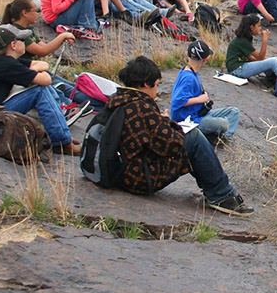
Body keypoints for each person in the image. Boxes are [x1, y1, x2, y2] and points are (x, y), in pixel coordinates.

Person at [107, 56, 253, 216]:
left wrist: (159, 122)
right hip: (136, 177)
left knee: (194, 138)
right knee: (194, 139)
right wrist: (169, 125)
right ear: (145, 84)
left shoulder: (118, 99)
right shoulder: (141, 107)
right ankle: (221, 195)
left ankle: (215, 190)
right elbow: (172, 143)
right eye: (156, 86)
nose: (156, 91)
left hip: (119, 168)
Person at [0, 25, 81, 154]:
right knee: (40, 90)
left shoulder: (4, 61)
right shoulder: (7, 65)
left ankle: (61, 132)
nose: (25, 43)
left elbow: (43, 64)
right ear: (13, 45)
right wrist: (36, 73)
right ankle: (62, 142)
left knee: (38, 85)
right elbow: (46, 80)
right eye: (22, 40)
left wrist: (32, 72)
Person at [170, 40, 241, 138]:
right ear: (205, 59)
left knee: (234, 111)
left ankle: (218, 132)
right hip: (189, 121)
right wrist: (200, 99)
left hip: (199, 114)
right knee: (224, 124)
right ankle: (223, 136)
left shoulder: (189, 71)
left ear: (187, 54)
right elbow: (177, 102)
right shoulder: (188, 78)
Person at [224, 14, 277, 94]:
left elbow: (250, 57)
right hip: (237, 70)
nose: (260, 28)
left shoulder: (245, 38)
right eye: (258, 26)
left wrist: (265, 62)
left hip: (240, 67)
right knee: (273, 61)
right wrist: (265, 40)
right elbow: (260, 57)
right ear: (252, 27)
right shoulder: (242, 40)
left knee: (276, 59)